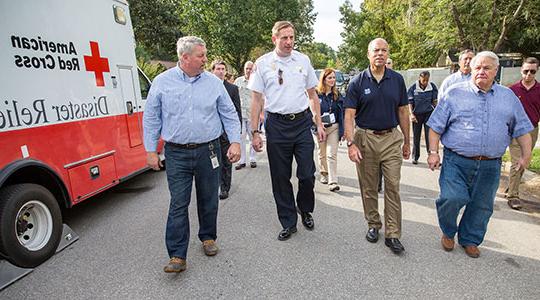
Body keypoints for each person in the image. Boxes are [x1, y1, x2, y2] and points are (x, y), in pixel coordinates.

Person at [143, 36, 241, 273]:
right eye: (201, 56)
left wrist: (235, 141)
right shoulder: (162, 82)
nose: (205, 60)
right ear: (184, 57)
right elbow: (152, 117)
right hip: (176, 153)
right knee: (179, 202)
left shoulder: (213, 83)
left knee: (208, 197)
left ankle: (208, 237)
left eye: (205, 55)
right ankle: (177, 255)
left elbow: (228, 113)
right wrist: (150, 150)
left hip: (209, 149)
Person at [427, 51, 533, 258]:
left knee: (482, 205)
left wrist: (526, 155)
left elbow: (521, 128)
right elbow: (435, 126)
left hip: (490, 164)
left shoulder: (508, 97)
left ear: (496, 70)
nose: (481, 72)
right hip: (456, 161)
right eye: (478, 68)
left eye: (487, 68)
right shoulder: (454, 93)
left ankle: (470, 239)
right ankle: (448, 231)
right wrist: (433, 152)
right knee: (451, 197)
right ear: (471, 70)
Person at [248, 21, 326, 241]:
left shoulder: (303, 60)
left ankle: (305, 209)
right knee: (280, 177)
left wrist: (319, 124)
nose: (289, 42)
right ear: (275, 39)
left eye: (292, 37)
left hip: (301, 123)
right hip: (277, 126)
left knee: (307, 174)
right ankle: (288, 222)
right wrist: (255, 132)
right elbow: (255, 100)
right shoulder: (263, 64)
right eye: (284, 38)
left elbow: (312, 95)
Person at [344, 38, 410, 254]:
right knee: (369, 186)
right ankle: (373, 224)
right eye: (376, 50)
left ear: (388, 53)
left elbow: (403, 111)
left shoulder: (397, 80)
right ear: (368, 54)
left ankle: (393, 234)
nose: (380, 54)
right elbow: (349, 115)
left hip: (391, 139)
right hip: (365, 139)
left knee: (392, 185)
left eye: (384, 50)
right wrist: (351, 143)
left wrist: (408, 141)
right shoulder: (357, 82)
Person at [506, 57, 540, 209]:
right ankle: (513, 196)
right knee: (516, 162)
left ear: (536, 71)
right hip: (515, 130)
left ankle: (512, 186)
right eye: (526, 71)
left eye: (532, 71)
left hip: (532, 129)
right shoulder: (513, 90)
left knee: (524, 160)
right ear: (521, 70)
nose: (528, 74)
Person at [211, 60, 242, 200]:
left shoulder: (232, 89)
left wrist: (236, 133)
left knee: (226, 161)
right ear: (213, 71)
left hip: (226, 133)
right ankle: (214, 185)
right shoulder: (207, 87)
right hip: (210, 132)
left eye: (223, 69)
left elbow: (237, 111)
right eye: (218, 69)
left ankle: (225, 187)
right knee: (213, 162)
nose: (221, 71)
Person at [315, 68, 345, 192]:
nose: (332, 80)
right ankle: (324, 173)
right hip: (320, 128)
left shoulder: (337, 95)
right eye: (330, 78)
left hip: (334, 127)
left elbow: (343, 113)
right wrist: (317, 124)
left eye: (333, 77)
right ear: (323, 79)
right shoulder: (316, 94)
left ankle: (333, 181)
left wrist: (343, 131)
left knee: (331, 154)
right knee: (321, 153)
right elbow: (310, 111)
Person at [408, 71, 438, 164]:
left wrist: (437, 113)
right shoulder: (413, 88)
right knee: (416, 136)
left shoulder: (432, 87)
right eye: (423, 80)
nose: (425, 82)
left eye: (427, 80)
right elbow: (410, 103)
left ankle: (431, 156)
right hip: (417, 115)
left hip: (428, 114)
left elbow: (434, 101)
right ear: (419, 78)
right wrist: (411, 114)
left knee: (429, 136)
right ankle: (415, 157)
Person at [234, 61, 259, 170]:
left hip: (252, 114)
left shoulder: (256, 82)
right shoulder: (238, 81)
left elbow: (260, 99)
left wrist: (261, 113)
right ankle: (242, 160)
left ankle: (253, 159)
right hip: (240, 114)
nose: (248, 70)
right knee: (241, 137)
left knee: (253, 136)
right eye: (247, 68)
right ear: (244, 69)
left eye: (250, 68)